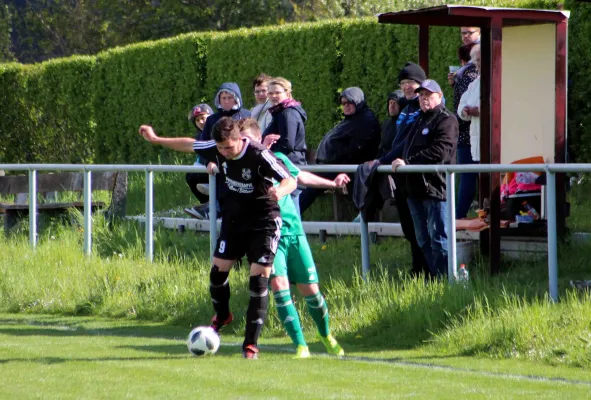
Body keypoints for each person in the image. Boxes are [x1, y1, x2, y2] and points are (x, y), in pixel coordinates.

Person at [139, 117, 296, 359]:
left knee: (259, 279)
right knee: (217, 274)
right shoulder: (216, 147)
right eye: (220, 149)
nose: (224, 153)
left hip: (263, 222)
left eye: (228, 148)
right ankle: (223, 316)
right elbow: (189, 144)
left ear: (239, 139)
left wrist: (280, 190)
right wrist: (156, 139)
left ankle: (250, 345)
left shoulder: (258, 153)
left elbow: (290, 179)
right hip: (234, 221)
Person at [240, 118, 348, 358]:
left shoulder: (279, 160)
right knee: (279, 284)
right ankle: (300, 345)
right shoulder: (243, 168)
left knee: (310, 289)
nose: (245, 144)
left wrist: (333, 183)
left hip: (294, 232)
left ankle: (326, 334)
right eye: (241, 140)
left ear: (258, 138)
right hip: (269, 234)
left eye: (248, 139)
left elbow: (302, 178)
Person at [389, 79, 459, 278]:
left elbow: (442, 151)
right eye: (421, 95)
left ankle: (448, 280)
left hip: (436, 187)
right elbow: (403, 148)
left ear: (439, 96)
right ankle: (436, 279)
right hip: (414, 189)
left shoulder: (447, 119)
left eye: (428, 94)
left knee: (439, 238)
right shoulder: (419, 119)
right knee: (422, 239)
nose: (423, 98)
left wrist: (408, 163)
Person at [375, 62, 430, 277]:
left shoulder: (423, 109)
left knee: (422, 228)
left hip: (419, 176)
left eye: (412, 82)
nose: (407, 87)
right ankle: (417, 268)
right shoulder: (406, 109)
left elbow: (405, 144)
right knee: (409, 226)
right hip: (401, 175)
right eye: (404, 83)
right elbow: (396, 141)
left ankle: (428, 270)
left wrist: (382, 162)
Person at [298, 87, 381, 215]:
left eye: (350, 102)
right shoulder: (352, 118)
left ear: (358, 102)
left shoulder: (365, 120)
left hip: (344, 167)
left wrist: (339, 159)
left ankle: (289, 218)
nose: (346, 106)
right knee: (308, 188)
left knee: (310, 188)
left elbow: (358, 147)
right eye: (343, 103)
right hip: (334, 165)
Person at [188, 82, 252, 220]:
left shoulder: (247, 115)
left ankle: (215, 208)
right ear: (219, 100)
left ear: (236, 98)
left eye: (230, 97)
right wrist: (208, 162)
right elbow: (202, 145)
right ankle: (212, 208)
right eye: (224, 98)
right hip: (218, 162)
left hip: (242, 161)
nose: (227, 101)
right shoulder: (212, 120)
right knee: (195, 176)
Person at [262, 77, 308, 214]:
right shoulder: (280, 112)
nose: (273, 96)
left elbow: (287, 144)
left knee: (290, 213)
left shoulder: (288, 113)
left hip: (289, 167)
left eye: (277, 92)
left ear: (287, 93)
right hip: (284, 166)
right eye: (270, 93)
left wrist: (268, 152)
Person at [184, 104, 214, 218]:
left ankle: (215, 206)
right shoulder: (199, 137)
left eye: (203, 118)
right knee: (191, 176)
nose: (201, 122)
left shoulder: (218, 131)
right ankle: (206, 206)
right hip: (205, 169)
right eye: (197, 120)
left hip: (220, 169)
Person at [458, 44, 481, 166]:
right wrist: (465, 111)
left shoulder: (499, 79)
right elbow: (461, 105)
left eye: (479, 60)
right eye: (475, 61)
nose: (477, 64)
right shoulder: (475, 83)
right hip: (476, 141)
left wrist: (480, 111)